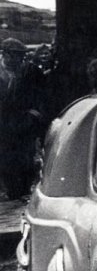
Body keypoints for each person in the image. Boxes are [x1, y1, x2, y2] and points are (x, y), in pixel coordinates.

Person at [0, 38, 46, 200]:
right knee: (5, 158)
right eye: (15, 55)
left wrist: (36, 113)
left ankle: (24, 190)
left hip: (24, 121)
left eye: (22, 56)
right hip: (3, 123)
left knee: (26, 157)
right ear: (5, 54)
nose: (19, 60)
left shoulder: (30, 71)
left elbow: (41, 94)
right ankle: (12, 191)